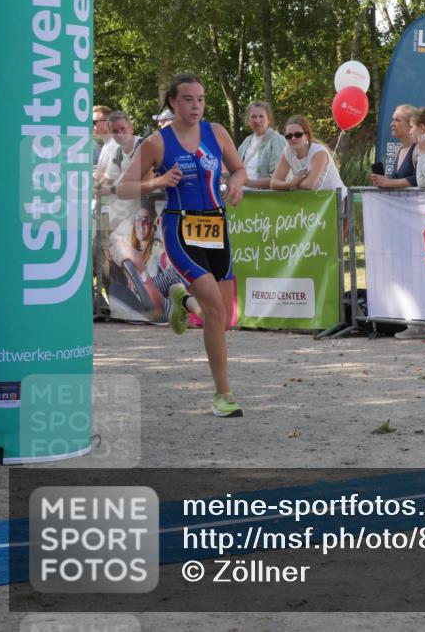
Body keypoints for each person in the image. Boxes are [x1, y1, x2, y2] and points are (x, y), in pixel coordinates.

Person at [117, 73, 247, 418]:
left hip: (216, 227)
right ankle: (223, 395)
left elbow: (239, 169)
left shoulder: (216, 133)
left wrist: (236, 184)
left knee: (222, 318)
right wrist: (158, 180)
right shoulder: (157, 143)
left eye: (200, 99)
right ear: (173, 102)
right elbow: (123, 188)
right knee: (215, 311)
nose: (196, 106)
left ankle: (183, 300)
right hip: (181, 228)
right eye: (188, 99)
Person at [271, 115, 347, 196]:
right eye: (289, 136)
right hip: (316, 200)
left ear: (307, 136)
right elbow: (273, 183)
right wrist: (290, 184)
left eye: (298, 135)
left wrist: (292, 183)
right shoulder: (288, 151)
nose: (293, 138)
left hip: (337, 199)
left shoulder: (319, 152)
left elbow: (308, 185)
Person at [237, 101, 285, 189]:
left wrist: (249, 183)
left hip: (263, 195)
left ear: (269, 120)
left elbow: (278, 178)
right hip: (242, 194)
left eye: (261, 116)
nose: (257, 120)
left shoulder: (277, 140)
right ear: (248, 120)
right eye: (253, 117)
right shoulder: (246, 141)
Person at [371, 104, 419, 189]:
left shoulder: (420, 149)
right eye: (392, 120)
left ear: (411, 125)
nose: (391, 124)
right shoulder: (400, 149)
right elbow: (398, 181)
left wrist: (389, 182)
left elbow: (419, 179)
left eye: (397, 120)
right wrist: (384, 181)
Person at [93, 105, 116, 181]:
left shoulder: (115, 145)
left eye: (94, 122)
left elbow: (103, 178)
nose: (92, 126)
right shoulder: (107, 145)